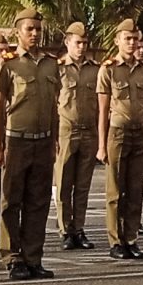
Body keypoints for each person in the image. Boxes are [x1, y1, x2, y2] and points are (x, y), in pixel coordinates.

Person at [0, 9, 61, 281]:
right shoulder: (8, 63)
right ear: (17, 31)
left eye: (38, 29)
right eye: (29, 29)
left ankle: (33, 256)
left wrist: (54, 139)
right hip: (16, 139)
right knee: (11, 201)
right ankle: (13, 256)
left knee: (38, 201)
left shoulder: (50, 64)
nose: (34, 34)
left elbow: (54, 106)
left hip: (42, 141)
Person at [96, 18, 143, 259]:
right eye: (127, 39)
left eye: (135, 39)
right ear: (117, 41)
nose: (132, 43)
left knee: (135, 189)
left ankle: (131, 238)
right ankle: (115, 240)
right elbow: (102, 110)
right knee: (115, 191)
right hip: (118, 133)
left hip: (139, 134)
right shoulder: (109, 69)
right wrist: (101, 144)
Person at [55, 20, 101, 249]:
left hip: (88, 130)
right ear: (67, 43)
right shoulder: (59, 67)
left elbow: (101, 104)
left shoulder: (95, 69)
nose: (81, 47)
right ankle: (65, 229)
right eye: (77, 43)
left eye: (84, 43)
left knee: (83, 184)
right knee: (64, 183)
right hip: (66, 130)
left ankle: (79, 228)